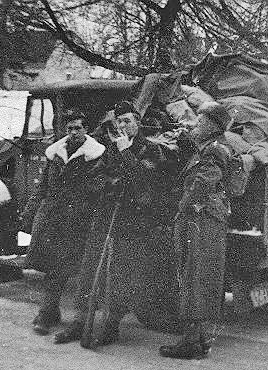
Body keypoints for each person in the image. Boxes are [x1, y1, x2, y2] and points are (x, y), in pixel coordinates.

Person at [54, 101, 180, 345]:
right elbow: (95, 176)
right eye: (119, 122)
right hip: (106, 215)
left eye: (127, 121)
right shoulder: (110, 149)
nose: (122, 126)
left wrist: (125, 153)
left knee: (121, 276)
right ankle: (80, 323)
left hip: (132, 223)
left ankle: (110, 326)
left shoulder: (152, 150)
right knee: (90, 270)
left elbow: (144, 181)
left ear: (137, 122)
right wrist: (109, 184)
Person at [22, 111, 109, 336]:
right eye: (69, 128)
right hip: (53, 218)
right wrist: (30, 212)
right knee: (52, 265)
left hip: (80, 220)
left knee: (81, 269)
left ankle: (79, 321)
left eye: (78, 128)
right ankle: (48, 312)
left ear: (86, 130)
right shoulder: (56, 153)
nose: (73, 133)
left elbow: (99, 188)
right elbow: (42, 186)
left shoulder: (95, 155)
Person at [159, 101, 233, 360]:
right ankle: (199, 339)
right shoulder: (212, 147)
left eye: (200, 122)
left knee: (192, 277)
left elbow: (204, 181)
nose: (196, 125)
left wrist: (183, 205)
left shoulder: (214, 151)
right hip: (207, 218)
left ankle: (191, 342)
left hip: (199, 218)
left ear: (212, 126)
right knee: (200, 277)